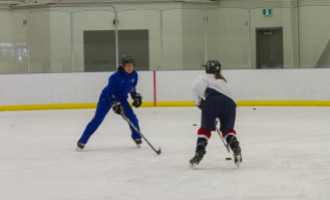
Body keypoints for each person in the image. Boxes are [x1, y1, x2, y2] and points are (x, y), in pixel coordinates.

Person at [76, 55, 143, 151]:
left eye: (132, 65)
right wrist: (114, 103)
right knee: (97, 119)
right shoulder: (114, 77)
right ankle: (82, 141)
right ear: (123, 66)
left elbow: (132, 88)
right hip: (107, 98)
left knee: (132, 117)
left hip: (122, 99)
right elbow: (109, 92)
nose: (130, 67)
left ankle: (137, 137)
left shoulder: (135, 75)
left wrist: (135, 96)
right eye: (128, 65)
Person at [189, 60, 242, 166]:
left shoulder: (203, 77)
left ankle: (199, 152)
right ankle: (236, 148)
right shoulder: (223, 80)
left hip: (212, 102)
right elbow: (224, 100)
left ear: (207, 69)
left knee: (204, 130)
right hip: (230, 104)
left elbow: (195, 87)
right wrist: (216, 117)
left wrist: (199, 103)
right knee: (228, 130)